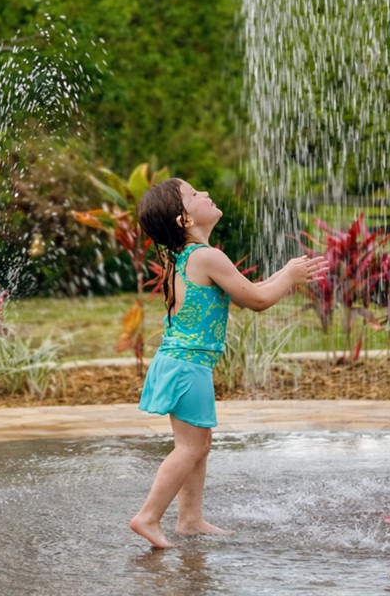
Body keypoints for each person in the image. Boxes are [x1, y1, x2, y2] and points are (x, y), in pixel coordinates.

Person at [129, 178, 329, 548]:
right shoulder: (207, 257)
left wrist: (285, 274)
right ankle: (148, 516)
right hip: (188, 366)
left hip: (182, 363)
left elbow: (246, 292)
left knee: (199, 444)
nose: (203, 193)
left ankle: (190, 519)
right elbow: (256, 300)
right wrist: (289, 275)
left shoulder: (189, 257)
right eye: (193, 195)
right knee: (190, 447)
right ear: (184, 221)